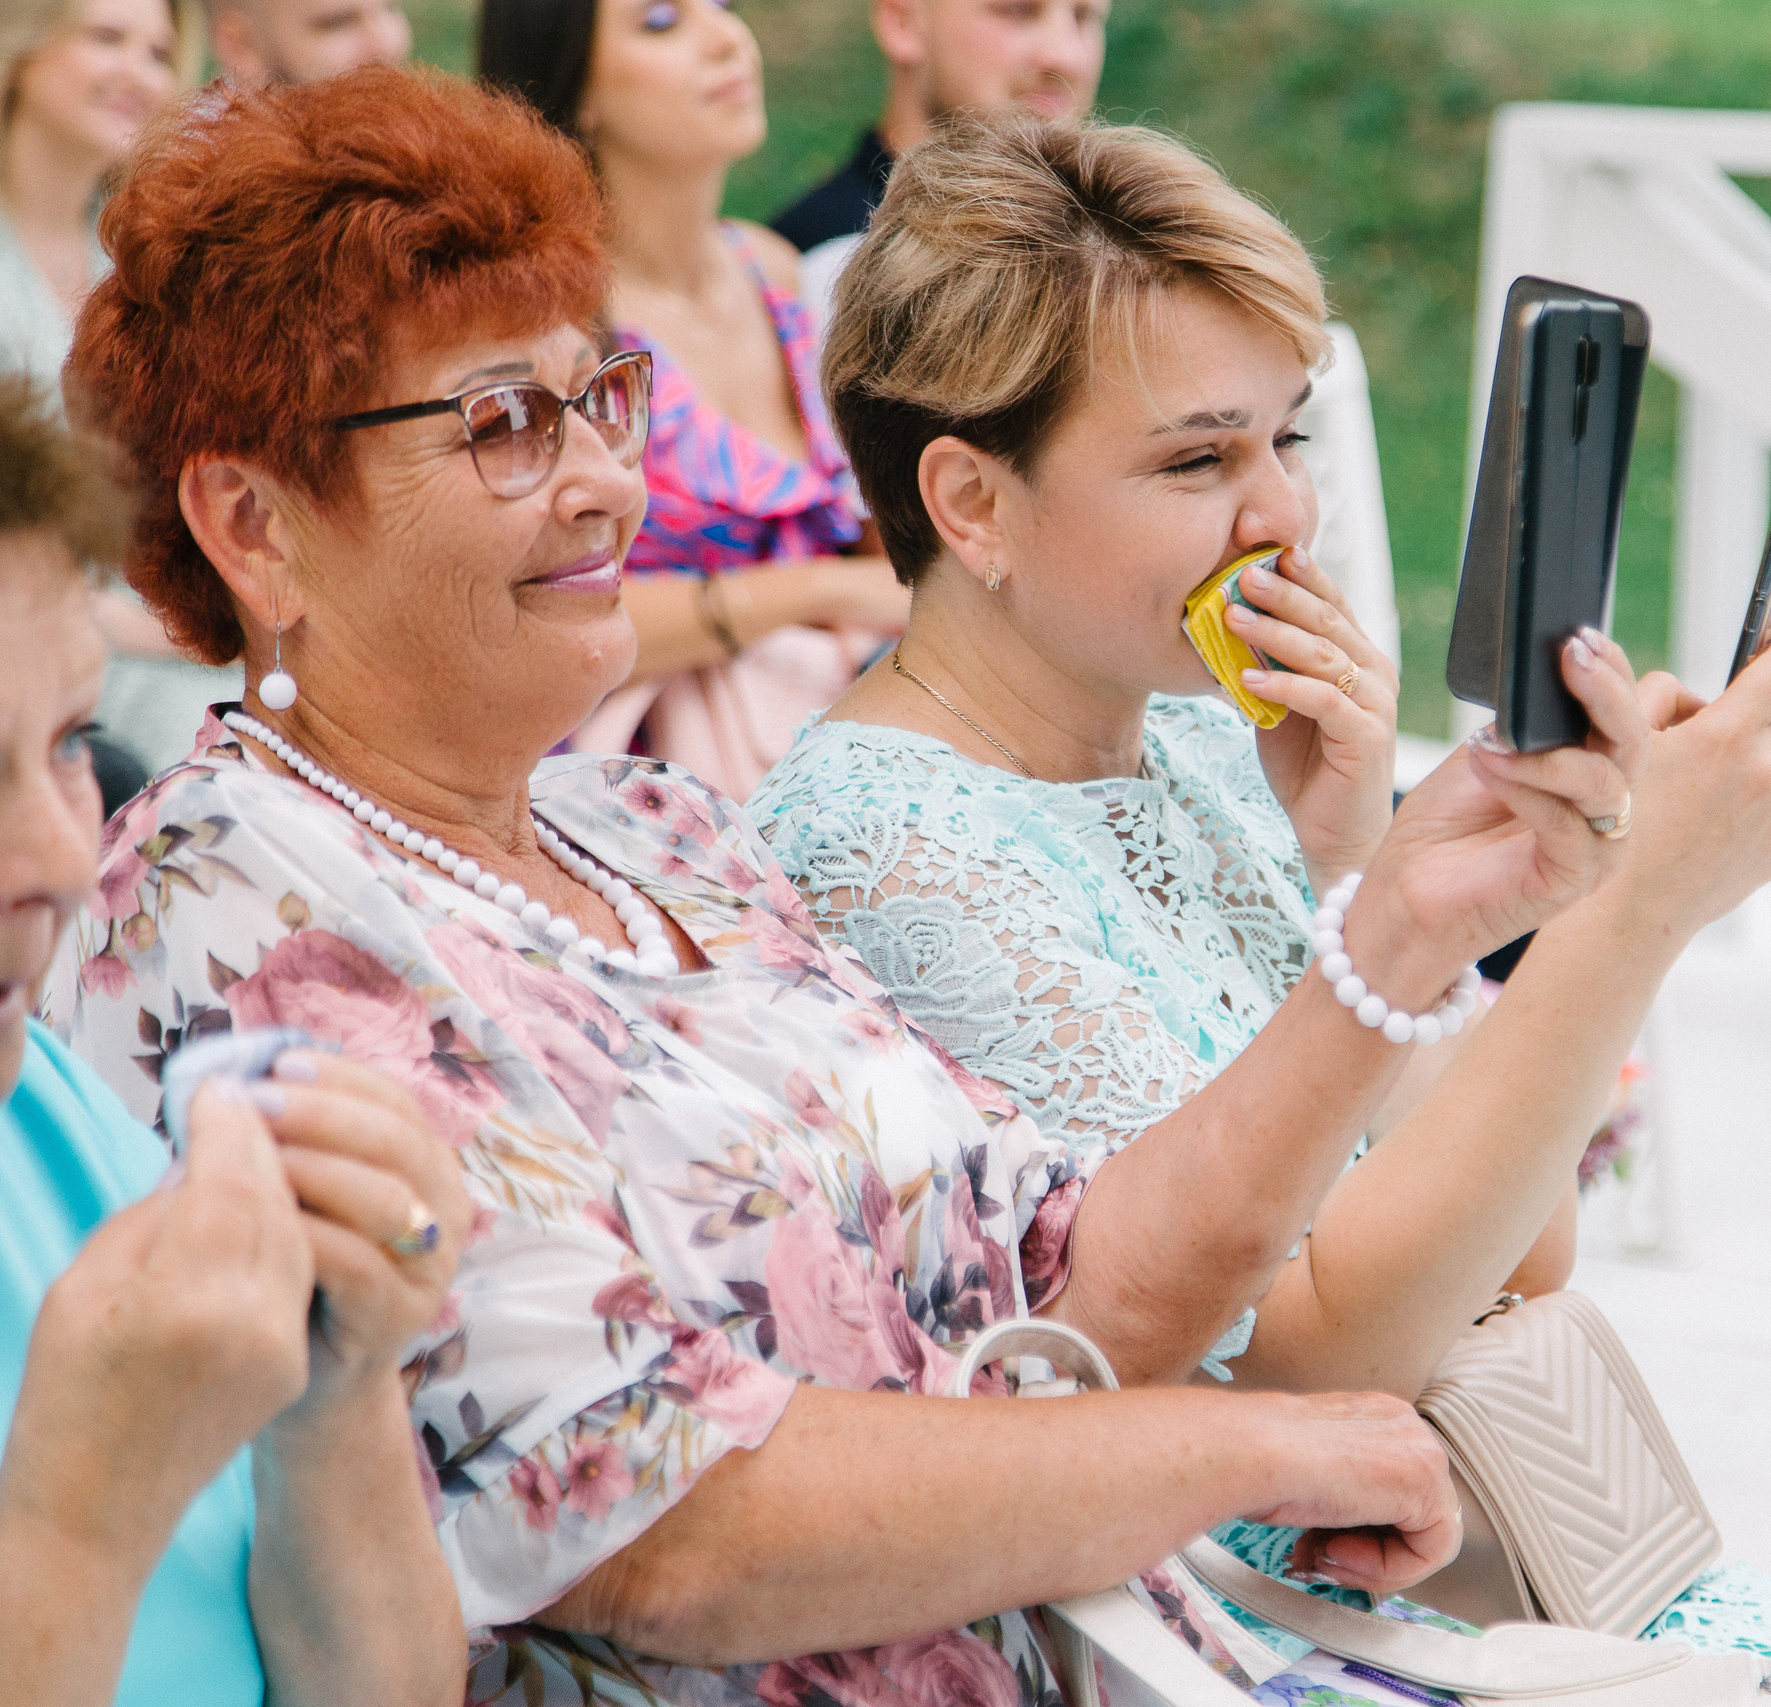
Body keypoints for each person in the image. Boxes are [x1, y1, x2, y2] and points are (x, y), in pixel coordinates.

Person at [43, 65, 1677, 1707]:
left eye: (601, 395)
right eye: (502, 424)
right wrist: (1244, 1446)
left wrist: (1400, 917)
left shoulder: (656, 828)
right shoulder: (242, 904)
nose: (614, 480)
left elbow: (1078, 1274)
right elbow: (664, 1525)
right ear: (254, 523)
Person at [746, 111, 1771, 1707]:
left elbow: (1518, 1261)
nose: (1279, 515)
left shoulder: (1204, 739)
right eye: (1198, 458)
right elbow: (1308, 1371)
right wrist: (1627, 924)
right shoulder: (886, 848)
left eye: (1289, 439)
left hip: (1482, 1561)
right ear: (971, 502)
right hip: (1246, 1630)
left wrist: (1351, 855)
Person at [0, 371, 469, 1707]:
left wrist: (338, 1395)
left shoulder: (46, 1111)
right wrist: (74, 1524)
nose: (56, 851)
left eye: (69, 739)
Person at [481, 0, 910, 804]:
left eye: (723, 7)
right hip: (637, 779)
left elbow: (861, 539)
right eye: (662, 21)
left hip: (833, 730)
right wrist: (819, 590)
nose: (726, 40)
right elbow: (520, 597)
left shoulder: (772, 269)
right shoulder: (550, 320)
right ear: (577, 90)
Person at [2, 0, 231, 793]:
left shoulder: (140, 262)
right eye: (107, 39)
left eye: (159, 52)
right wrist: (129, 625)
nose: (139, 71)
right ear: (21, 51)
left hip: (164, 628)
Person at [771, 0, 1106, 317]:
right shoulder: (802, 276)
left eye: (1084, 15)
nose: (1067, 57)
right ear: (902, 20)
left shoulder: (1117, 250)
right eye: (1016, 10)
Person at [205, 0, 406, 86]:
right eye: (337, 23)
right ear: (241, 46)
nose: (387, 45)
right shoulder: (204, 167)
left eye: (389, 7)